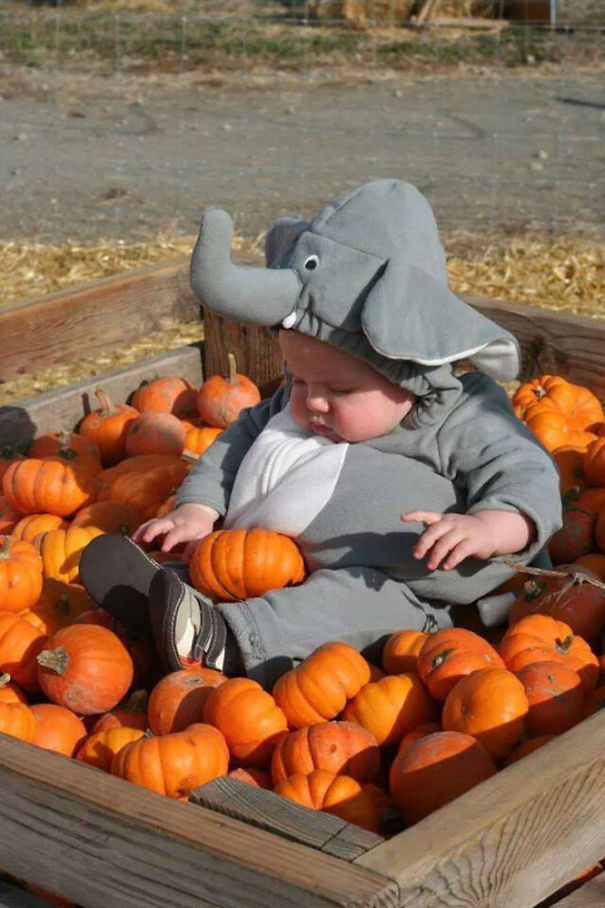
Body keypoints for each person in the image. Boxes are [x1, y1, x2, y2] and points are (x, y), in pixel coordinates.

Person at [79, 179, 562, 689]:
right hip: (271, 565)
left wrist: (491, 526)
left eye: (338, 389)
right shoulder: (305, 400)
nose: (311, 401)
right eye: (300, 379)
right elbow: (241, 436)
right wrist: (197, 509)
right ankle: (172, 600)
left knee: (346, 602)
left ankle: (224, 640)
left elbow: (527, 471)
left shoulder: (465, 414)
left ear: (407, 373)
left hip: (414, 598)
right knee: (227, 565)